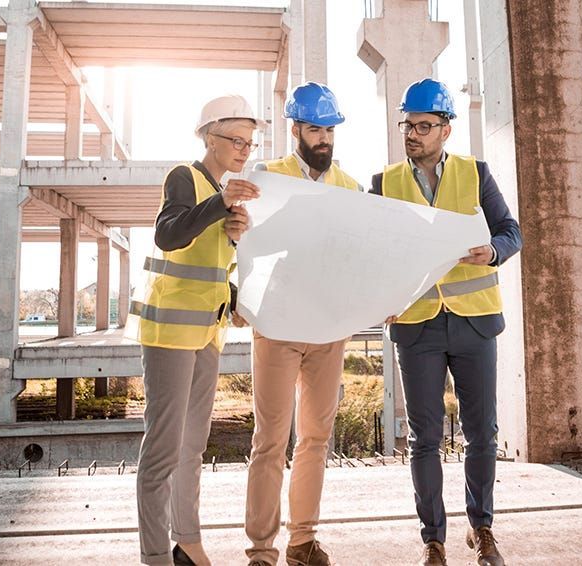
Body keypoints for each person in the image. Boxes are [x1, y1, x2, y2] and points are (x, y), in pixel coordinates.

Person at [370, 78, 522, 566]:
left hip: (474, 322)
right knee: (425, 438)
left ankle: (482, 530)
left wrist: (493, 251)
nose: (412, 134)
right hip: (417, 326)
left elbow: (511, 231)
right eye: (407, 125)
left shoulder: (475, 174)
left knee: (483, 433)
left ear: (446, 129)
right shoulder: (385, 183)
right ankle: (433, 540)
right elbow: (372, 252)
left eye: (423, 125)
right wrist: (380, 297)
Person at [126, 94, 263, 566]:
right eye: (235, 140)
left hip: (207, 333)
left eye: (250, 142)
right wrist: (219, 206)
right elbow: (168, 234)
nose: (244, 149)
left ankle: (187, 540)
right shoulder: (184, 176)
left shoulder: (223, 192)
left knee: (192, 446)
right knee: (163, 448)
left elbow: (210, 267)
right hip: (169, 334)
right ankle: (154, 555)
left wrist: (231, 236)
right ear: (210, 137)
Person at [243, 82, 362, 566]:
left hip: (329, 328)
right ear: (296, 129)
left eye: (330, 130)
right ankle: (261, 549)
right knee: (269, 439)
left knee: (314, 439)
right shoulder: (267, 177)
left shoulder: (351, 188)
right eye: (315, 128)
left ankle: (302, 541)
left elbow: (360, 256)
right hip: (277, 324)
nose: (324, 139)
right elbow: (244, 242)